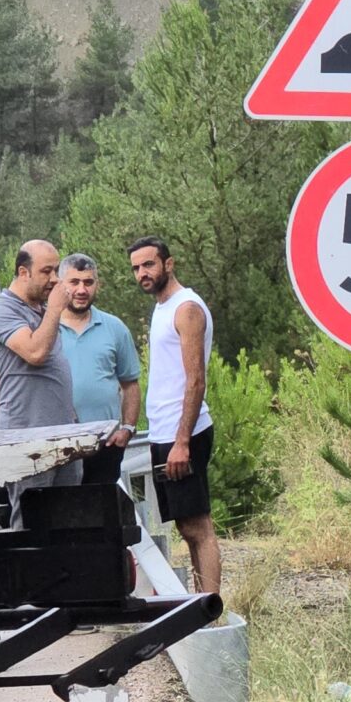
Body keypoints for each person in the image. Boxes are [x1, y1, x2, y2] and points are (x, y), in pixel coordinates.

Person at [128, 237, 219, 594]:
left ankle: (211, 610)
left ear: (169, 264)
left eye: (148, 265)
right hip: (164, 432)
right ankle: (201, 604)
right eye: (136, 268)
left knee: (199, 527)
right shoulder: (162, 306)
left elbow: (196, 381)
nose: (142, 274)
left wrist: (182, 442)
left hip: (186, 434)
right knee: (186, 526)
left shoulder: (186, 308)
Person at [0, 241, 78, 490]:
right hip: (27, 439)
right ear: (23, 272)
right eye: (46, 271)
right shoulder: (2, 311)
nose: (55, 279)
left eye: (56, 270)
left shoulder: (42, 311)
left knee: (71, 519)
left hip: (63, 435)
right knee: (33, 519)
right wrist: (56, 309)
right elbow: (35, 353)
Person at [57, 252, 141, 486]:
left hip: (106, 444)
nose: (81, 290)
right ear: (60, 284)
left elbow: (130, 384)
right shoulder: (46, 329)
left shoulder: (114, 328)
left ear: (97, 285)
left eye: (88, 282)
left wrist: (127, 429)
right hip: (60, 446)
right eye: (74, 282)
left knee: (102, 516)